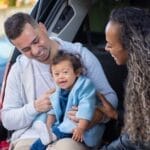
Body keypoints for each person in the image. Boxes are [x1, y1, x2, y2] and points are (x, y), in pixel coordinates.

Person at [1, 12, 118, 150]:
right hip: (31, 135)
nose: (36, 51)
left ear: (42, 28)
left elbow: (110, 98)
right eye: (26, 49)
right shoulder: (19, 69)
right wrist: (35, 107)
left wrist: (95, 116)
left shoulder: (80, 55)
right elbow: (7, 119)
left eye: (36, 41)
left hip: (74, 134)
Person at [98, 7, 150, 149]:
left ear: (131, 45)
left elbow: (142, 139)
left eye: (110, 44)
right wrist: (115, 114)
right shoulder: (139, 72)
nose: (106, 49)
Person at [31, 51, 103, 150]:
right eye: (56, 74)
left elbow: (86, 107)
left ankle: (43, 142)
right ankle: (48, 137)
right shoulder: (59, 90)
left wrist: (81, 128)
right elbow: (53, 109)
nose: (61, 76)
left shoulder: (85, 86)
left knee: (58, 131)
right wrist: (48, 127)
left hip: (83, 127)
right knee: (47, 122)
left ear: (77, 72)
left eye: (65, 72)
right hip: (65, 125)